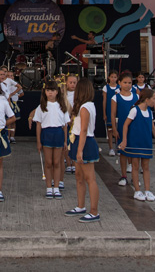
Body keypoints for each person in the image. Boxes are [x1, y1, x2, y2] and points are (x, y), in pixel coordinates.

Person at [119, 88, 155, 202]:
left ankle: (148, 190)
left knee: (146, 167)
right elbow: (125, 125)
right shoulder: (134, 110)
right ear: (146, 99)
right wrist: (124, 141)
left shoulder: (149, 112)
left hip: (146, 143)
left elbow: (153, 128)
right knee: (135, 166)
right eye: (154, 99)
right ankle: (137, 190)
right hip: (135, 143)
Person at [66, 77, 100, 222]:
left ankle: (94, 211)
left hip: (84, 142)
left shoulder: (86, 107)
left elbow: (85, 130)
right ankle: (80, 206)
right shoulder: (83, 106)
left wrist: (80, 150)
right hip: (77, 140)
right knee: (79, 177)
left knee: (89, 178)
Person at [32, 80, 69, 199]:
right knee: (48, 163)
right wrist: (38, 142)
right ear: (45, 92)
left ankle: (56, 187)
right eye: (48, 90)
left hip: (58, 134)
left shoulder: (62, 106)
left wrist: (65, 141)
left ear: (57, 92)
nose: (50, 93)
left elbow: (65, 126)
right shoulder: (41, 107)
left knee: (57, 162)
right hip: (47, 134)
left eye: (53, 90)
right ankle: (49, 187)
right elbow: (38, 125)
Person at [110, 71, 137, 186]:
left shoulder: (136, 96)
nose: (127, 85)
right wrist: (114, 129)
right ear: (119, 83)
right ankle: (123, 175)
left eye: (129, 83)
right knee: (123, 153)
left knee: (134, 153)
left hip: (134, 128)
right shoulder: (115, 97)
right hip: (121, 128)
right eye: (125, 82)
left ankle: (134, 177)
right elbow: (113, 114)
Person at [0, 65, 22, 143]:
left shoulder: (6, 84)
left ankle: (9, 137)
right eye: (1, 74)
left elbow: (8, 96)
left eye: (4, 74)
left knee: (10, 120)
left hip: (6, 105)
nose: (3, 76)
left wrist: (11, 95)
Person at [102, 70, 119, 156]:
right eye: (111, 77)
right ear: (109, 77)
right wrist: (104, 113)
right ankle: (111, 148)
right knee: (110, 130)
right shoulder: (106, 87)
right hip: (109, 110)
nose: (113, 79)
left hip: (118, 111)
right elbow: (104, 101)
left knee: (118, 129)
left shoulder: (119, 87)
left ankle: (118, 147)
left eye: (115, 77)